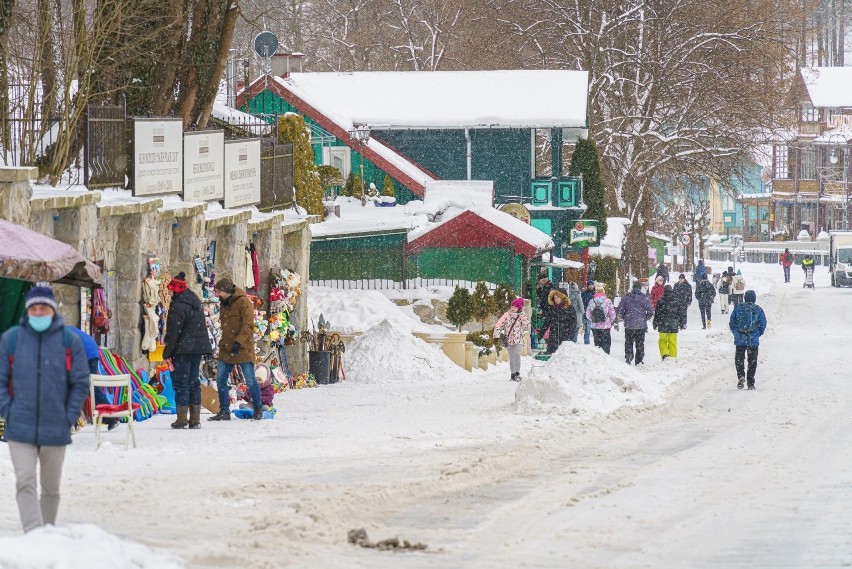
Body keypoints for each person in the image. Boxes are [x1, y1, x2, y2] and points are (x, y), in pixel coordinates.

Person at [0, 287, 90, 532]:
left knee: (51, 487)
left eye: (43, 308)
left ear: (53, 310)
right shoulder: (12, 339)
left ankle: (47, 530)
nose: (38, 312)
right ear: (27, 311)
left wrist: (68, 416)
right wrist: (8, 410)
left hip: (55, 426)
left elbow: (80, 381)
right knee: (25, 480)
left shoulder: (68, 341)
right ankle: (34, 533)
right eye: (34, 308)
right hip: (20, 426)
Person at [208, 278, 263, 421]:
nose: (217, 294)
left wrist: (238, 342)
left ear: (226, 291)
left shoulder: (244, 302)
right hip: (226, 348)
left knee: (250, 380)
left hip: (243, 348)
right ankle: (224, 411)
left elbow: (248, 326)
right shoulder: (224, 304)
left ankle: (258, 409)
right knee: (220, 379)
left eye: (219, 292)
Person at [164, 272, 213, 429]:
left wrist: (167, 352)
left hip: (183, 350)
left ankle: (182, 418)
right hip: (197, 349)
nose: (169, 293)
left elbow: (173, 332)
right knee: (193, 382)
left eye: (170, 290)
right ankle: (195, 419)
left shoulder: (178, 306)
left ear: (175, 290)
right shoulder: (194, 300)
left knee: (182, 383)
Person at [68, 326, 118, 431]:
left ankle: (110, 417)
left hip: (86, 355)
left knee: (89, 387)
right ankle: (110, 417)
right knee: (89, 387)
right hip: (91, 350)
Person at [728, 290, 767, 390]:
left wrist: (736, 332)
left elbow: (732, 322)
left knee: (739, 359)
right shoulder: (758, 309)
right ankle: (750, 382)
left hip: (740, 339)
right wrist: (758, 333)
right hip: (753, 339)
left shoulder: (738, 308)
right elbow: (763, 323)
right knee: (752, 361)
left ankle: (740, 376)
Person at [617, 281, 654, 365]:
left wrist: (624, 317)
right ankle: (639, 360)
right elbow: (651, 311)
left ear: (633, 288)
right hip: (640, 325)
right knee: (640, 343)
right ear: (640, 288)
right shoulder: (644, 298)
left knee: (628, 341)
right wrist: (645, 318)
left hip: (629, 324)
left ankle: (629, 357)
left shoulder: (626, 298)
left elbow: (620, 310)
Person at [494, 297, 530, 381]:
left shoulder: (522, 315)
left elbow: (527, 324)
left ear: (519, 308)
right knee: (512, 357)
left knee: (516, 354)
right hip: (509, 339)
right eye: (512, 306)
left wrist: (523, 317)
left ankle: (517, 373)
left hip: (519, 339)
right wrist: (497, 335)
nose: (513, 308)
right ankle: (513, 374)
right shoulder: (506, 315)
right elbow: (499, 324)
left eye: (515, 307)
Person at [541, 288, 577, 355]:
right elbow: (547, 322)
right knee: (552, 355)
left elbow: (573, 323)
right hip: (554, 336)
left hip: (565, 335)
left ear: (562, 297)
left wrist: (569, 335)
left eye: (558, 297)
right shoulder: (552, 308)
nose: (556, 299)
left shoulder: (570, 308)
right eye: (555, 297)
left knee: (564, 355)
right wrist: (541, 333)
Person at [585, 282, 616, 354]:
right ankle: (606, 358)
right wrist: (608, 321)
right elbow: (613, 314)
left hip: (595, 327)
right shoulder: (608, 301)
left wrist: (593, 320)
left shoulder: (591, 301)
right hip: (605, 326)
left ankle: (598, 358)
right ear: (603, 291)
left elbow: (588, 314)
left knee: (597, 344)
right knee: (606, 344)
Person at [653, 285, 681, 360]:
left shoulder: (660, 300)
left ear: (664, 291)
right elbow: (680, 313)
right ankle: (672, 357)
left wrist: (655, 323)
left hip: (662, 324)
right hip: (673, 324)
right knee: (672, 342)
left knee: (662, 340)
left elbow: (657, 313)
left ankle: (665, 354)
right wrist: (681, 323)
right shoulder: (676, 300)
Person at [581, 280, 596, 345]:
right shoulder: (584, 294)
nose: (590, 286)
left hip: (596, 314)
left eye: (591, 285)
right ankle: (587, 344)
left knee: (596, 330)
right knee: (587, 330)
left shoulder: (596, 294)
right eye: (589, 285)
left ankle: (597, 343)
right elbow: (582, 304)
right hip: (587, 314)